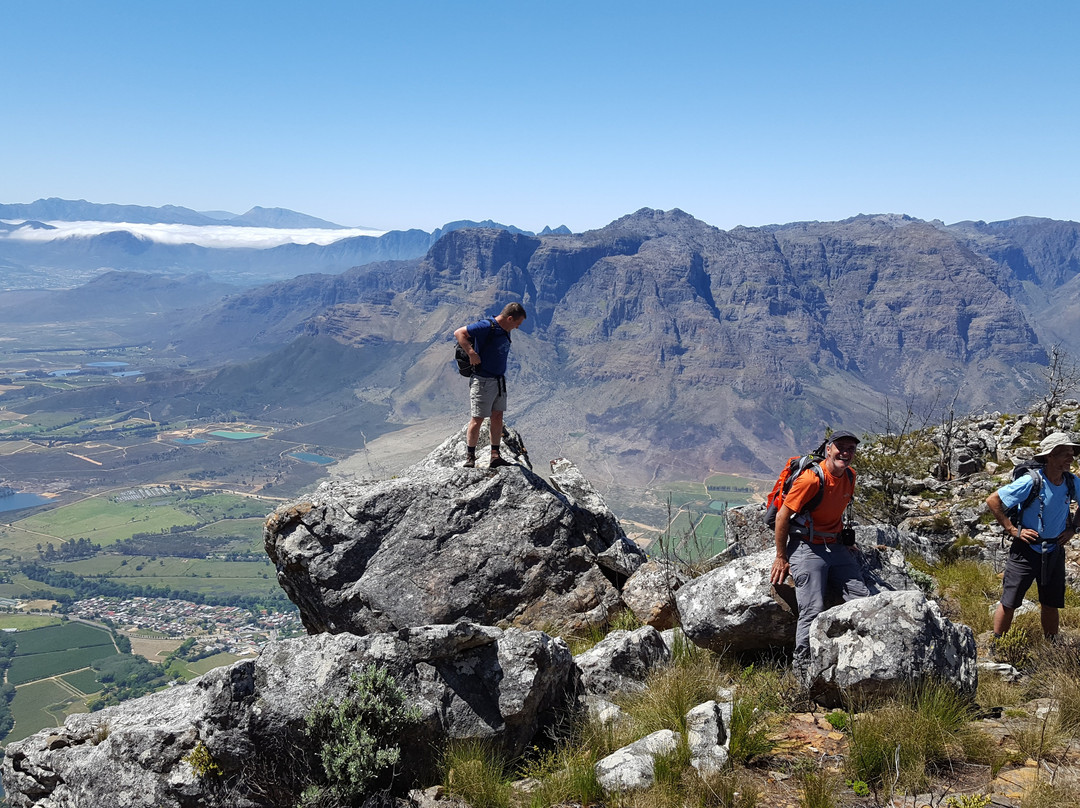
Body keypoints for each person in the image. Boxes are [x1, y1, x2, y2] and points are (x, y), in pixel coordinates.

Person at [769, 430, 868, 674]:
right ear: (828, 449)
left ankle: (861, 655)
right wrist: (781, 557)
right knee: (813, 609)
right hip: (807, 546)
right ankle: (802, 665)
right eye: (840, 447)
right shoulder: (811, 480)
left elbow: (835, 509)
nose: (845, 453)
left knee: (864, 601)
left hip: (835, 544)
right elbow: (782, 517)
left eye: (851, 449)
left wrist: (844, 538)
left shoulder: (850, 476)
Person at [986, 431, 1079, 643]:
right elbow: (993, 500)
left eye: (1072, 453)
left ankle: (1051, 645)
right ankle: (998, 643)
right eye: (1065, 453)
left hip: (1054, 550)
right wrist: (1012, 530)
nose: (1071, 458)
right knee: (1010, 601)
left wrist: (1073, 528)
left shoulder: (1071, 482)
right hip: (1026, 550)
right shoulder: (1032, 481)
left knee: (1051, 602)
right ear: (1050, 456)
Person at [454, 302, 527, 468]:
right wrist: (471, 353)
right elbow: (459, 333)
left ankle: (495, 455)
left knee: (497, 416)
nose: (517, 327)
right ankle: (470, 457)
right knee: (477, 419)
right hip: (483, 381)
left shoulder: (505, 329)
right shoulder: (486, 326)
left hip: (498, 380)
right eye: (517, 323)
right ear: (510, 318)